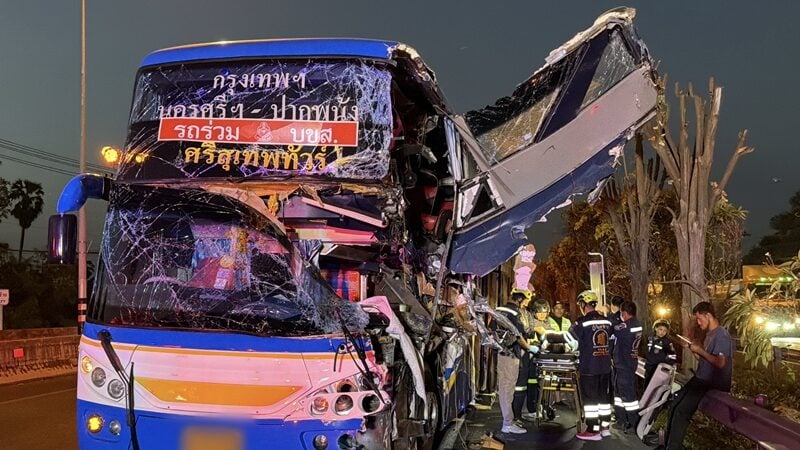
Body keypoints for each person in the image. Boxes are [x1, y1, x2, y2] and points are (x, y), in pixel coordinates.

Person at [657, 301, 733, 450]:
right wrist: (693, 349)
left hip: (711, 381)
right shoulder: (710, 334)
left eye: (700, 319)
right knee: (674, 404)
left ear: (708, 316)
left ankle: (673, 447)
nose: (698, 323)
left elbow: (721, 363)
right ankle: (668, 444)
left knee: (681, 411)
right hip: (701, 377)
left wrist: (700, 351)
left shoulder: (721, 335)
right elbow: (705, 360)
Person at [569, 290, 614, 441]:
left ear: (583, 304)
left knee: (590, 401)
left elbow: (571, 338)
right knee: (604, 398)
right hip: (605, 366)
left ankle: (592, 430)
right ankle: (605, 427)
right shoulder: (607, 321)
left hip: (589, 367)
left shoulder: (582, 322)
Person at [495, 290, 539, 434]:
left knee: (504, 388)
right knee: (508, 389)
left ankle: (509, 421)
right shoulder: (515, 313)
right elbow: (519, 336)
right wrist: (530, 348)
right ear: (519, 299)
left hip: (501, 354)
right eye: (526, 300)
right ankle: (507, 423)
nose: (526, 303)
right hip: (512, 355)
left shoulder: (499, 310)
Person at [612, 301, 643, 434]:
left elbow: (614, 329)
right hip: (628, 363)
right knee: (619, 395)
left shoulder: (627, 326)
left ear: (624, 313)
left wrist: (611, 317)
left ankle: (634, 424)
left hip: (624, 364)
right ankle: (621, 419)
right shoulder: (637, 325)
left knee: (628, 397)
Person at [519, 298, 552, 421]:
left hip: (543, 357)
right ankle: (531, 408)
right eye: (540, 313)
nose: (543, 315)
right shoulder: (530, 322)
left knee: (541, 383)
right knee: (531, 382)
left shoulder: (548, 322)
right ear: (534, 312)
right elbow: (527, 333)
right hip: (530, 357)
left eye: (545, 313)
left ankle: (540, 405)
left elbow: (551, 334)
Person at [644, 319, 677, 387]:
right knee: (647, 387)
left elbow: (673, 355)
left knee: (655, 388)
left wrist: (668, 365)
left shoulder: (667, 342)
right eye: (660, 329)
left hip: (659, 369)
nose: (662, 332)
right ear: (655, 328)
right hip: (649, 368)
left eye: (665, 330)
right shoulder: (650, 338)